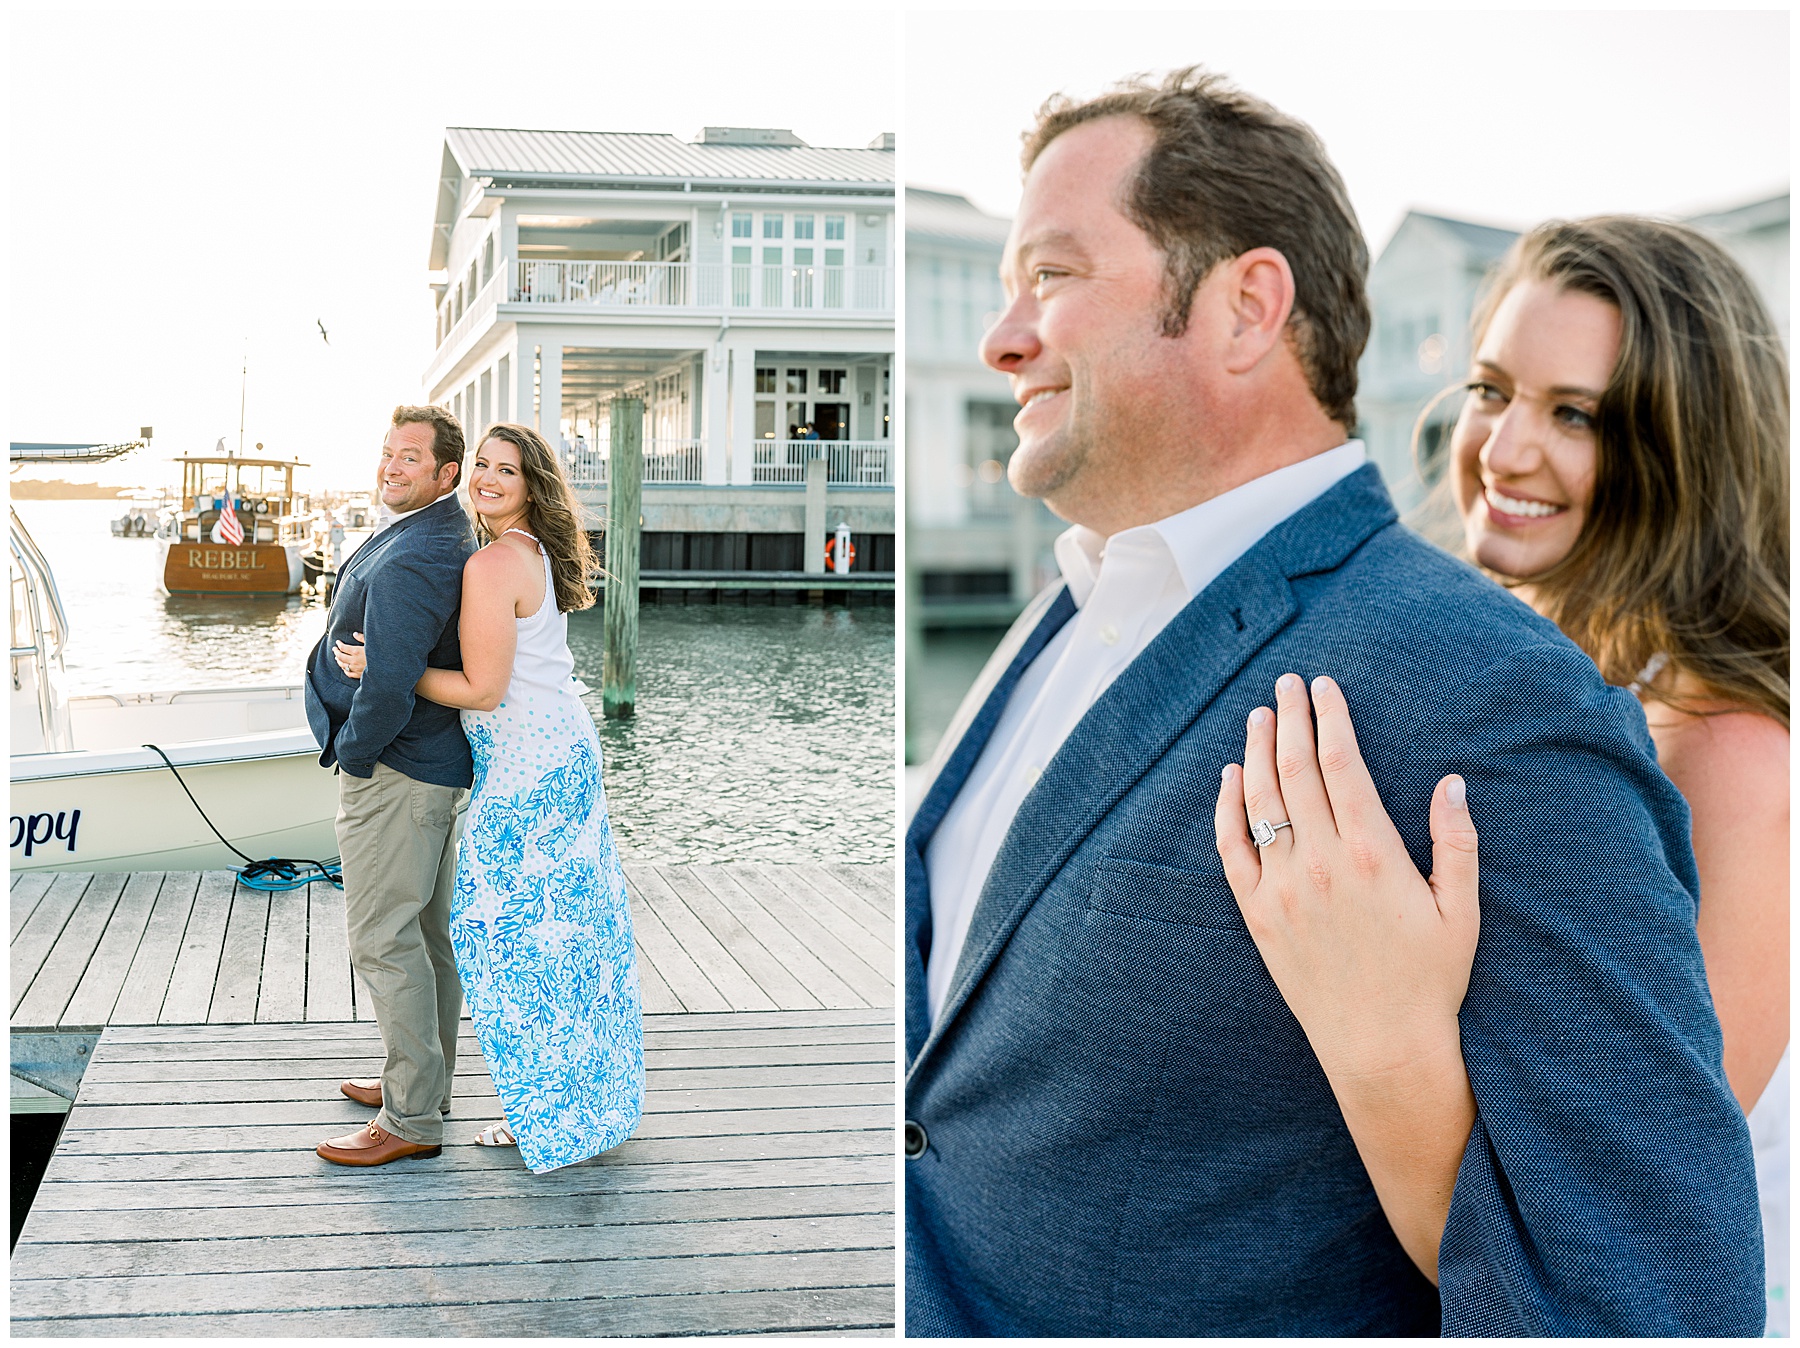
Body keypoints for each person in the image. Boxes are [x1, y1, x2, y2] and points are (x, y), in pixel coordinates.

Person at [902, 67, 1763, 1335]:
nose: (1003, 335)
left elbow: (1649, 1295)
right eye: (1490, 392)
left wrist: (1387, 1044)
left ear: (1249, 305)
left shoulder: (1508, 702)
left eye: (1057, 274)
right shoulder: (1082, 591)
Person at [1214, 216, 1788, 1325]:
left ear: (1690, 446)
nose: (1505, 448)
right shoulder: (1528, 681)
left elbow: (1623, 1231)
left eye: (1574, 414)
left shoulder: (1730, 758)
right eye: (1491, 389)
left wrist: (1372, 1018)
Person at [335, 422, 643, 1173]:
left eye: (507, 470)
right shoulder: (527, 551)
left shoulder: (494, 563)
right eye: (482, 465)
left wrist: (387, 670)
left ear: (533, 485)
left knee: (511, 946)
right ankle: (562, 1102)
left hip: (529, 770)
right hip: (555, 755)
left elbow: (483, 688)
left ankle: (537, 1113)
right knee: (564, 940)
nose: (489, 478)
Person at [304, 404, 477, 1167]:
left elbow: (393, 679)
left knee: (384, 941)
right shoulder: (427, 531)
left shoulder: (416, 552)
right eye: (387, 453)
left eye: (411, 457)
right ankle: (422, 1081)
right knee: (424, 937)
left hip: (399, 772)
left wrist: (356, 753)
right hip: (429, 768)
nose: (391, 466)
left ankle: (411, 1119)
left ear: (446, 474)